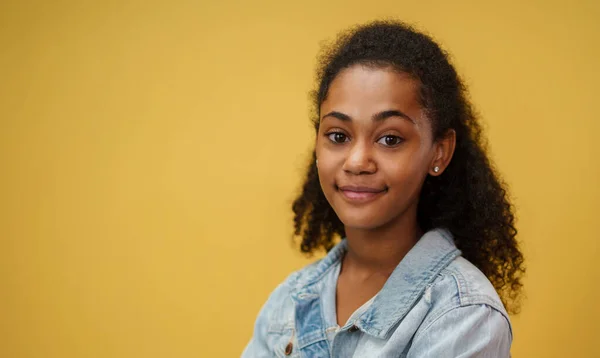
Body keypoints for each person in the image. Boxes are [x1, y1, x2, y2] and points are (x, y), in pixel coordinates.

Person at [242, 20, 525, 357]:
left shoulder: (465, 316)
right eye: (338, 136)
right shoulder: (287, 304)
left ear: (440, 152)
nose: (357, 161)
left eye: (390, 139)